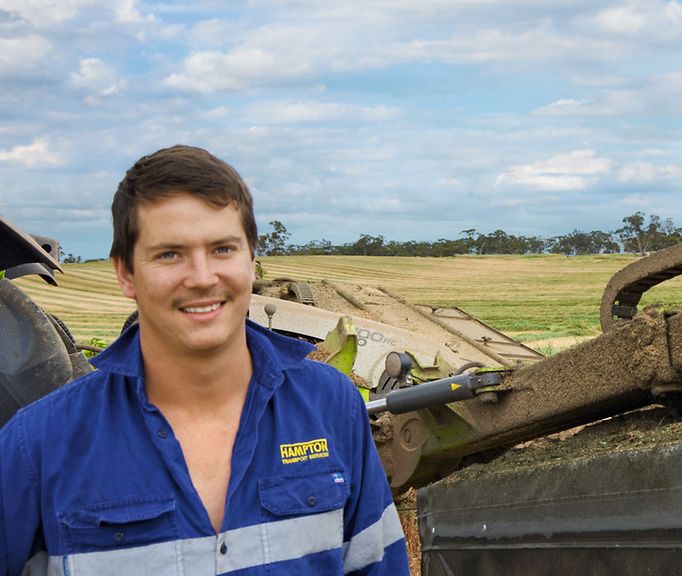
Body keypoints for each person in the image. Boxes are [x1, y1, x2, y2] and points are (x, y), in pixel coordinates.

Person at [0, 145, 409, 575]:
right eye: (169, 254)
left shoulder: (330, 405)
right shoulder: (38, 443)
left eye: (223, 249)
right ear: (125, 274)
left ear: (252, 260)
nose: (201, 277)